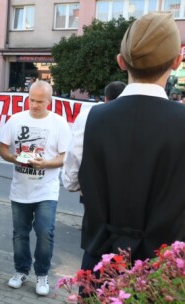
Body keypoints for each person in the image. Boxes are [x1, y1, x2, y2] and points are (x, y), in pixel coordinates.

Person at [63, 12, 185, 274]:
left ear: (121, 61)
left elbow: (71, 181)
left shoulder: (90, 117)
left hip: (100, 263)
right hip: (165, 272)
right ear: (177, 61)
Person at [0, 80, 71, 296]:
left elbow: (64, 156)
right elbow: (2, 148)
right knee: (20, 234)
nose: (35, 105)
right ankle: (21, 270)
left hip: (47, 190)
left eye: (40, 101)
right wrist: (14, 159)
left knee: (45, 232)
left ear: (49, 100)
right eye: (31, 100)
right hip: (20, 189)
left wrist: (45, 164)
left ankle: (42, 274)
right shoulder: (16, 120)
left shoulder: (59, 123)